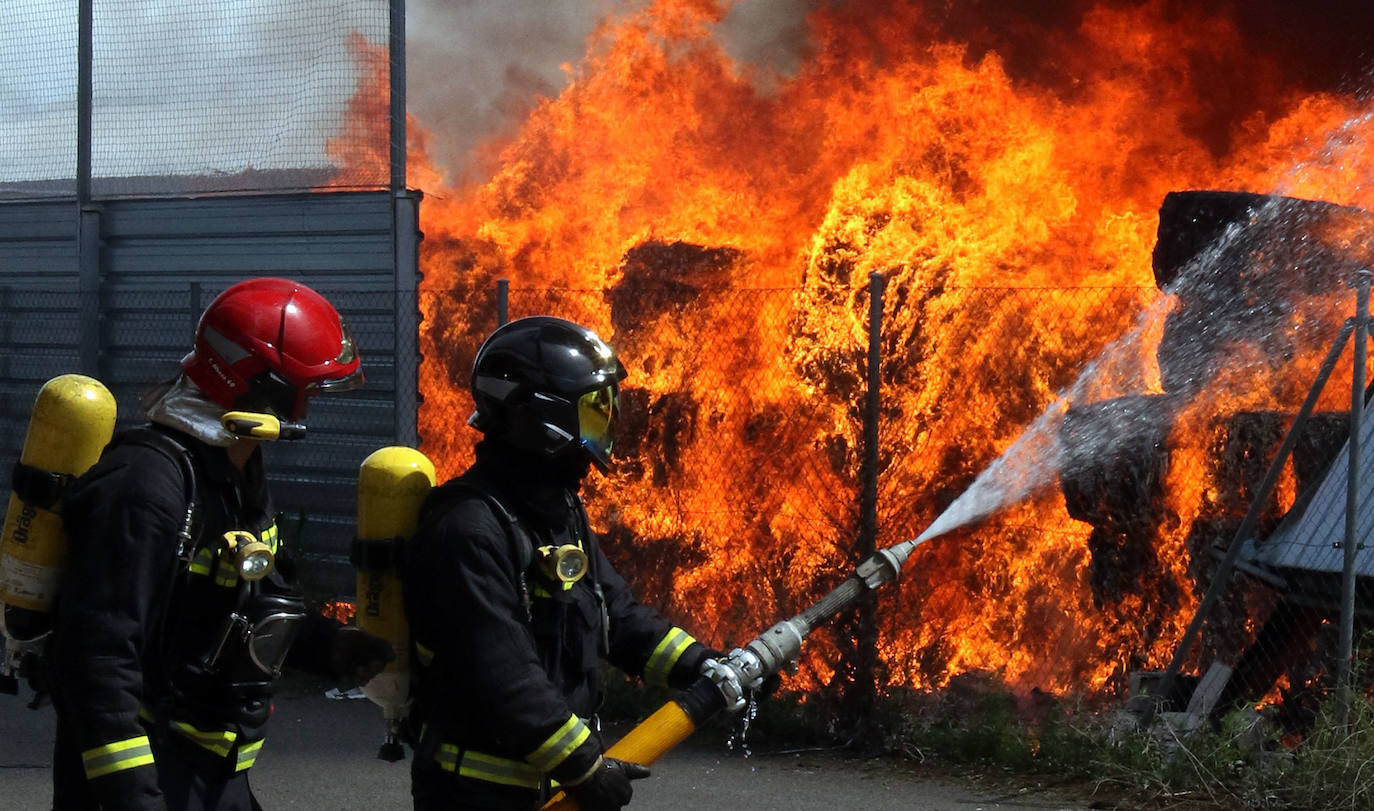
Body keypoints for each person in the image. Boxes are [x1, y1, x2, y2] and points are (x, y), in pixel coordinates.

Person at [49, 277, 394, 810]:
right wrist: (135, 798)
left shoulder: (235, 471)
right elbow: (97, 660)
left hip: (212, 774)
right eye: (304, 393)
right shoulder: (143, 486)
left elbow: (243, 608)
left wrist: (328, 646)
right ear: (261, 388)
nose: (306, 411)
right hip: (149, 776)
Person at [402, 316, 718, 811]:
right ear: (544, 421)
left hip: (553, 788)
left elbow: (616, 614)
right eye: (592, 411)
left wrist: (703, 665)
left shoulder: (556, 512)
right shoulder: (467, 530)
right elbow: (503, 676)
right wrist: (584, 768)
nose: (605, 426)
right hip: (477, 796)